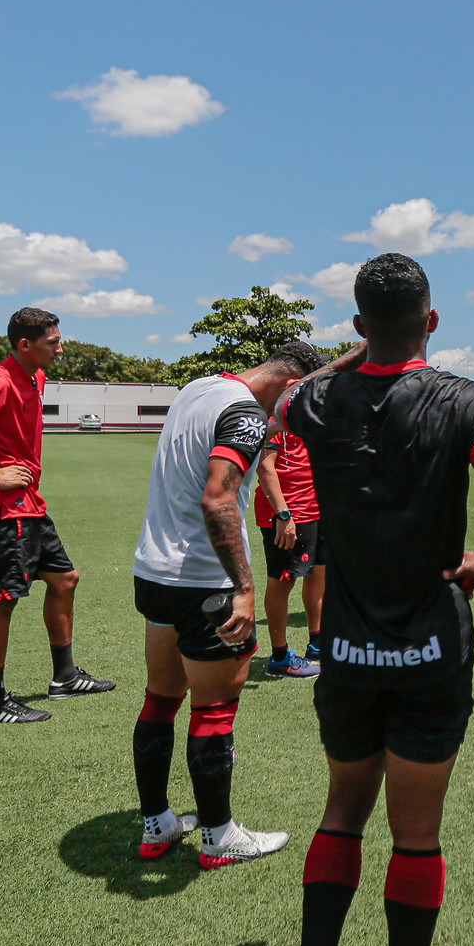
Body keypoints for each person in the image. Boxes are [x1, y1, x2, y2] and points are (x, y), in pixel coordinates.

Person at [281, 254, 474, 946]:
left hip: (350, 650)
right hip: (431, 647)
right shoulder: (462, 397)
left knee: (341, 814)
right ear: (431, 320)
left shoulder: (319, 396)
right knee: (416, 834)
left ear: (358, 325)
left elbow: (280, 398)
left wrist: (351, 352)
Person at [131, 339, 358, 867]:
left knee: (160, 701)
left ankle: (156, 824)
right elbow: (217, 497)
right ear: (287, 388)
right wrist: (243, 585)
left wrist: (356, 353)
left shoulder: (200, 389)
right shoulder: (246, 415)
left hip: (155, 572)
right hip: (207, 582)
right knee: (214, 711)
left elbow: (291, 391)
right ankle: (218, 837)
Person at [0, 308, 112, 724]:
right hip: (3, 511)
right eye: (53, 342)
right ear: (24, 345)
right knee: (2, 600)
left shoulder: (35, 375)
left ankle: (64, 677)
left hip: (29, 505)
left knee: (65, 580)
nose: (61, 348)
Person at [256, 423, 327, 679]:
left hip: (318, 507)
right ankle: (279, 657)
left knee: (318, 574)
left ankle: (317, 645)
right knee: (282, 582)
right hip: (289, 512)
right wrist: (283, 514)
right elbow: (265, 467)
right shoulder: (277, 413)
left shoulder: (317, 408)